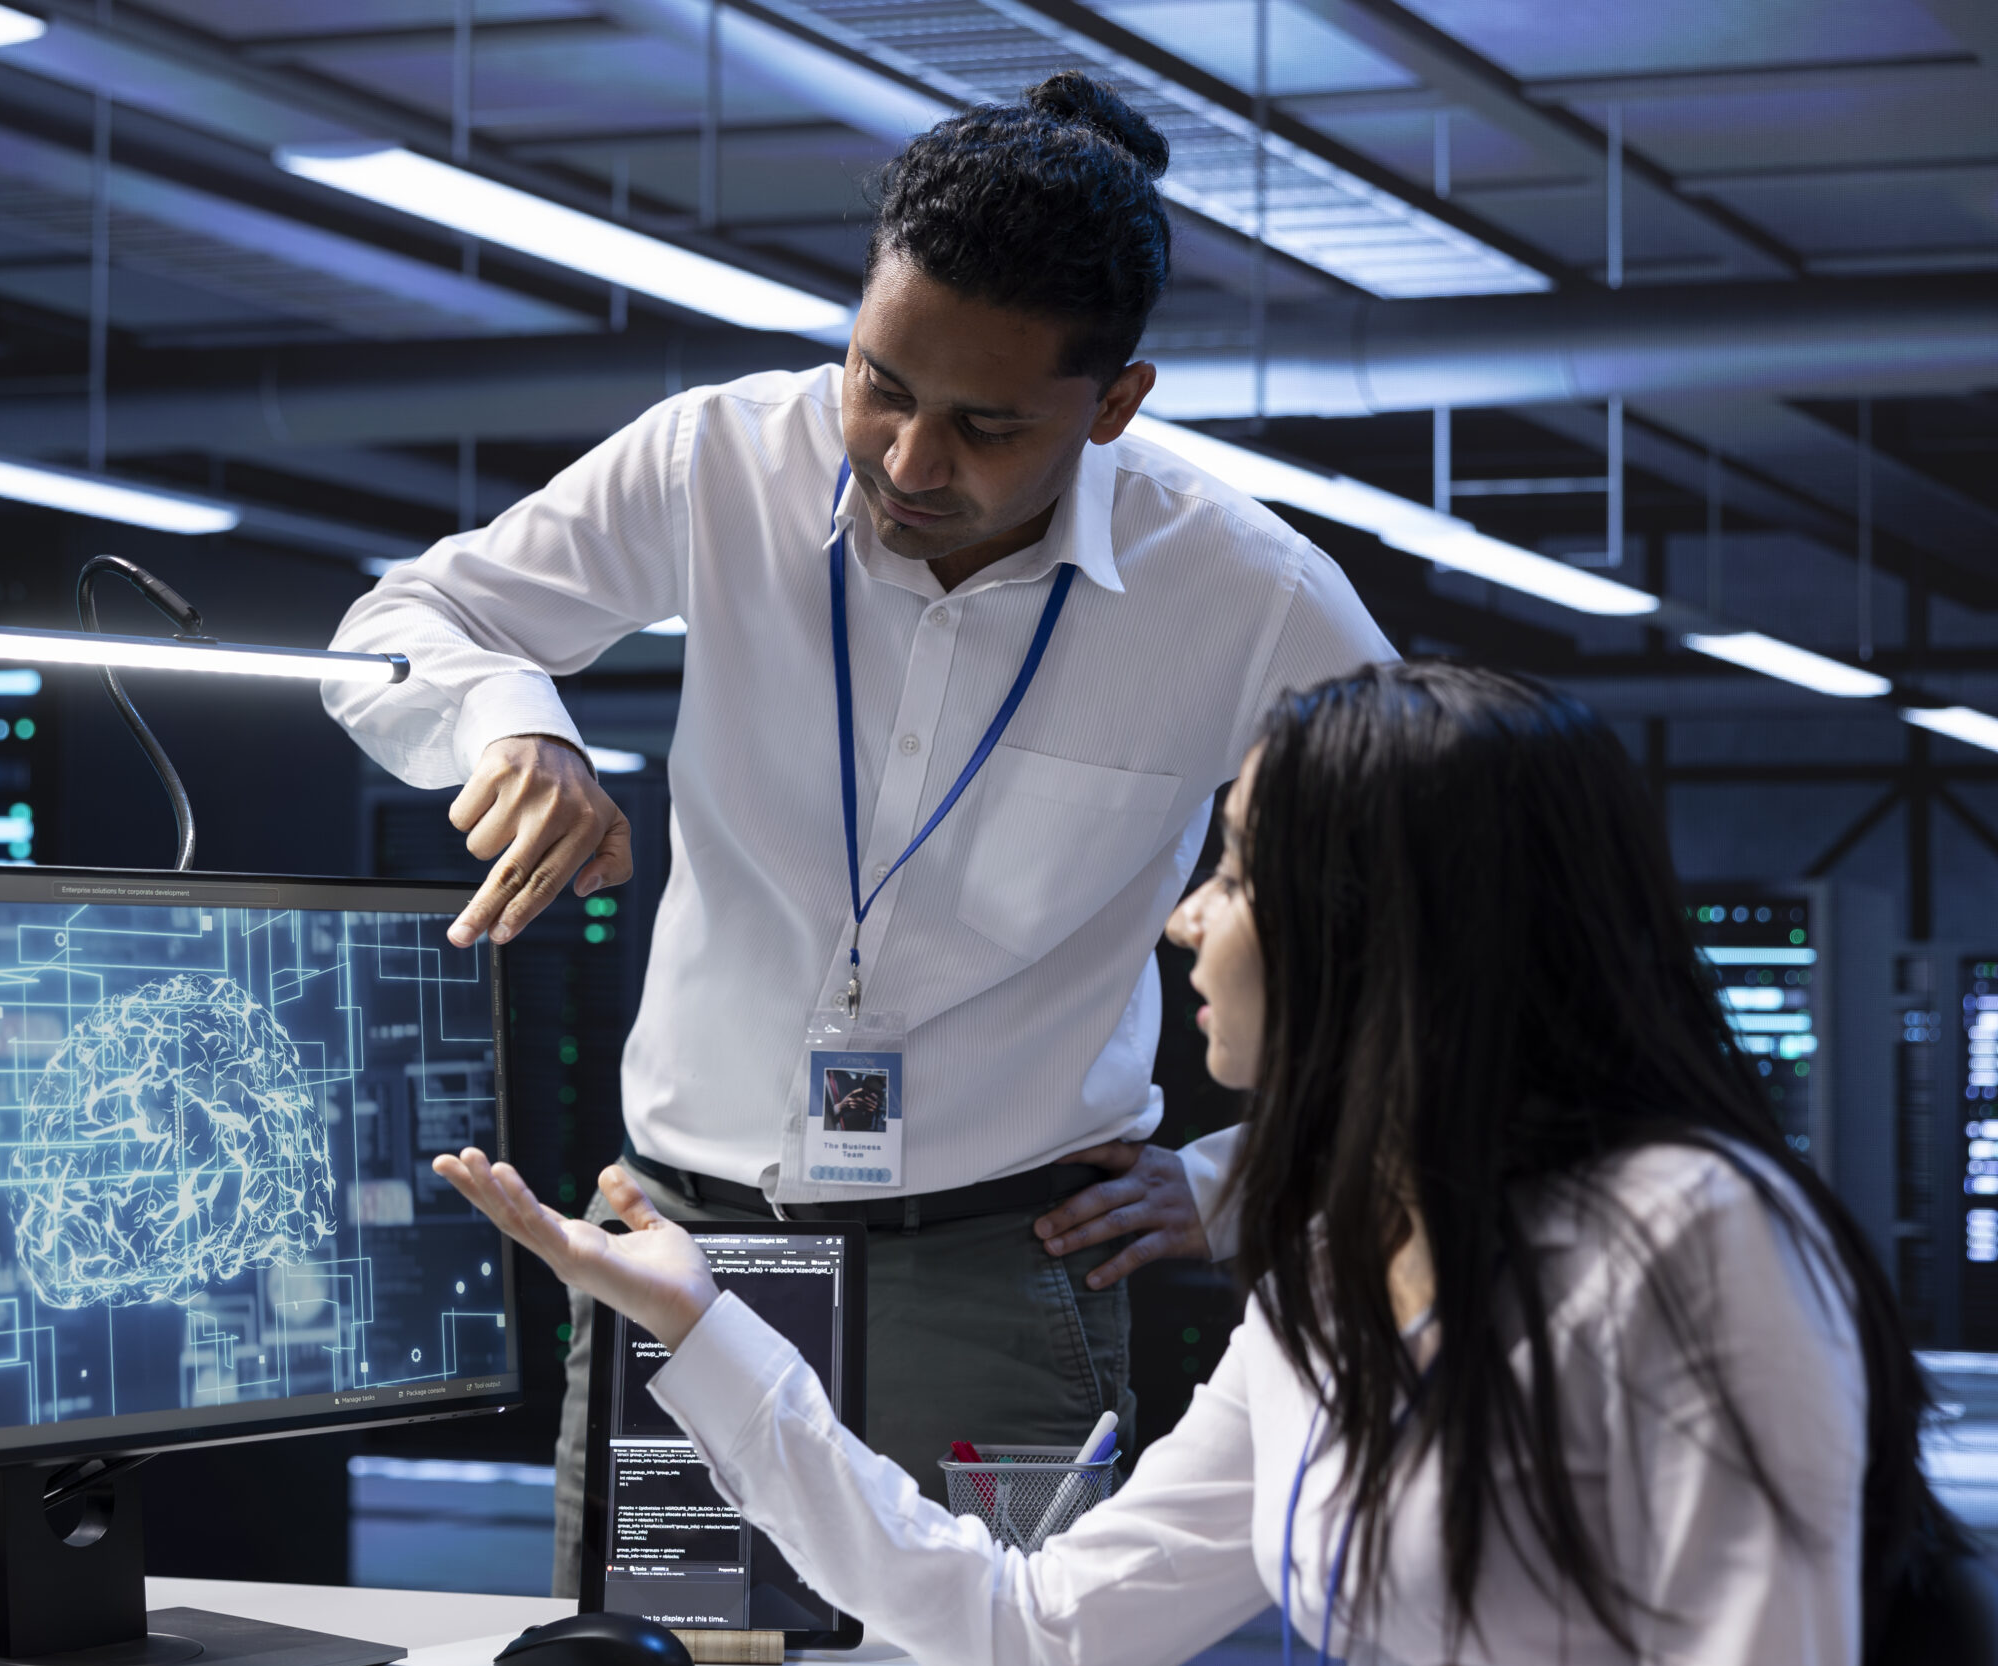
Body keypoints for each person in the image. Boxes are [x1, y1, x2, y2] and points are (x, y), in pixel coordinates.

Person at [323, 71, 1390, 1589]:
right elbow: (402, 621)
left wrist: (1244, 1176)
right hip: (690, 1250)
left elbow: (1449, 892)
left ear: (1116, 405)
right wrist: (512, 718)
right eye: (881, 382)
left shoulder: (1247, 595)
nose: (905, 462)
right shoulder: (717, 460)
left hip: (1004, 1276)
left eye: (986, 426)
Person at [436, 661, 1944, 1666]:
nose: (1187, 924)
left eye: (1231, 872)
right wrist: (708, 1333)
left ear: (1375, 925)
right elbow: (1033, 1645)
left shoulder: (1696, 1239)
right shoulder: (1335, 1263)